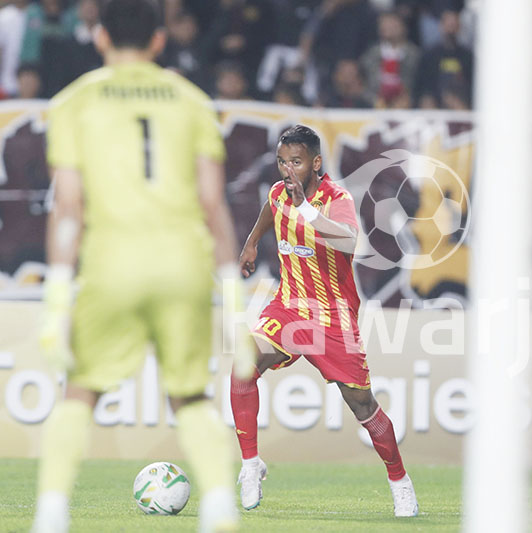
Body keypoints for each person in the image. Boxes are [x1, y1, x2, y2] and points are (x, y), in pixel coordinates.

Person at [31, 1, 255, 532]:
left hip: (112, 265)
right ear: (159, 41)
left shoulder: (74, 101)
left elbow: (68, 210)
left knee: (80, 389)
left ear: (100, 37)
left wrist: (57, 297)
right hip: (183, 266)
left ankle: (51, 513)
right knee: (191, 395)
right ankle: (220, 504)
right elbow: (213, 204)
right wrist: (234, 301)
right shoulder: (193, 101)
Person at [230, 124, 419, 517]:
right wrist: (251, 243)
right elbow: (270, 207)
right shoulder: (280, 194)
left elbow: (349, 239)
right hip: (287, 306)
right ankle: (250, 465)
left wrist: (305, 209)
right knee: (242, 364)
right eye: (282, 162)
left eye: (295, 162)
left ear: (316, 163)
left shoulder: (337, 198)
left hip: (332, 318)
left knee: (363, 405)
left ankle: (399, 481)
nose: (287, 170)